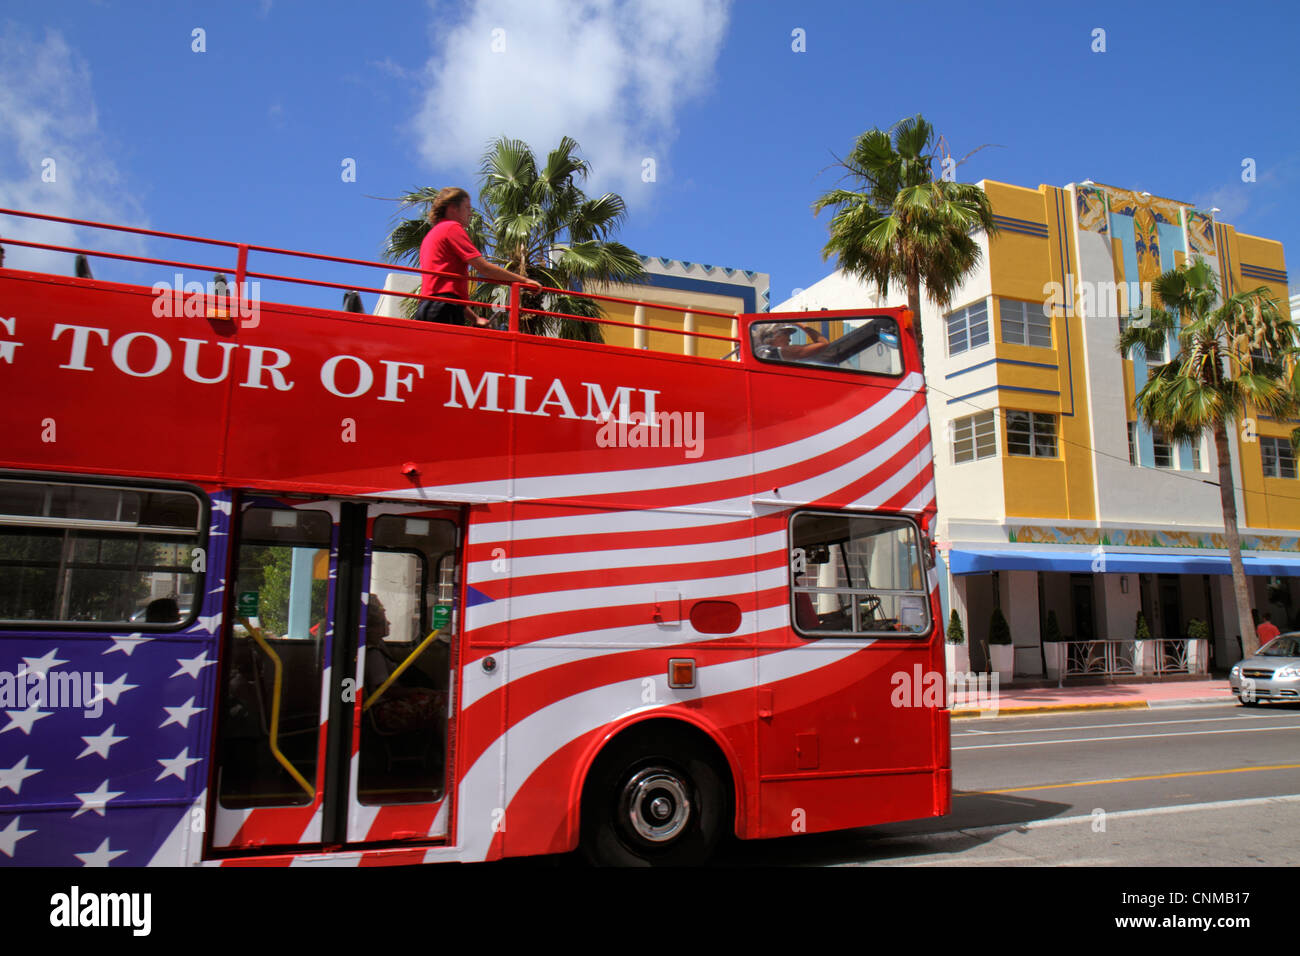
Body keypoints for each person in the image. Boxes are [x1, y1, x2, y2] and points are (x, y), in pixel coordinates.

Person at [414, 187, 539, 327]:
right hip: (444, 308)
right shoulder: (451, 228)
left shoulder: (431, 235)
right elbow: (484, 268)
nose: (470, 213)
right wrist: (524, 281)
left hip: (427, 308)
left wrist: (474, 318)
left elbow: (444, 289)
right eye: (467, 208)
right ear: (453, 208)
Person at [759, 323, 831, 361]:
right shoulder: (775, 353)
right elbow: (823, 344)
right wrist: (798, 323)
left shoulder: (760, 352)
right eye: (786, 334)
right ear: (772, 335)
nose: (789, 340)